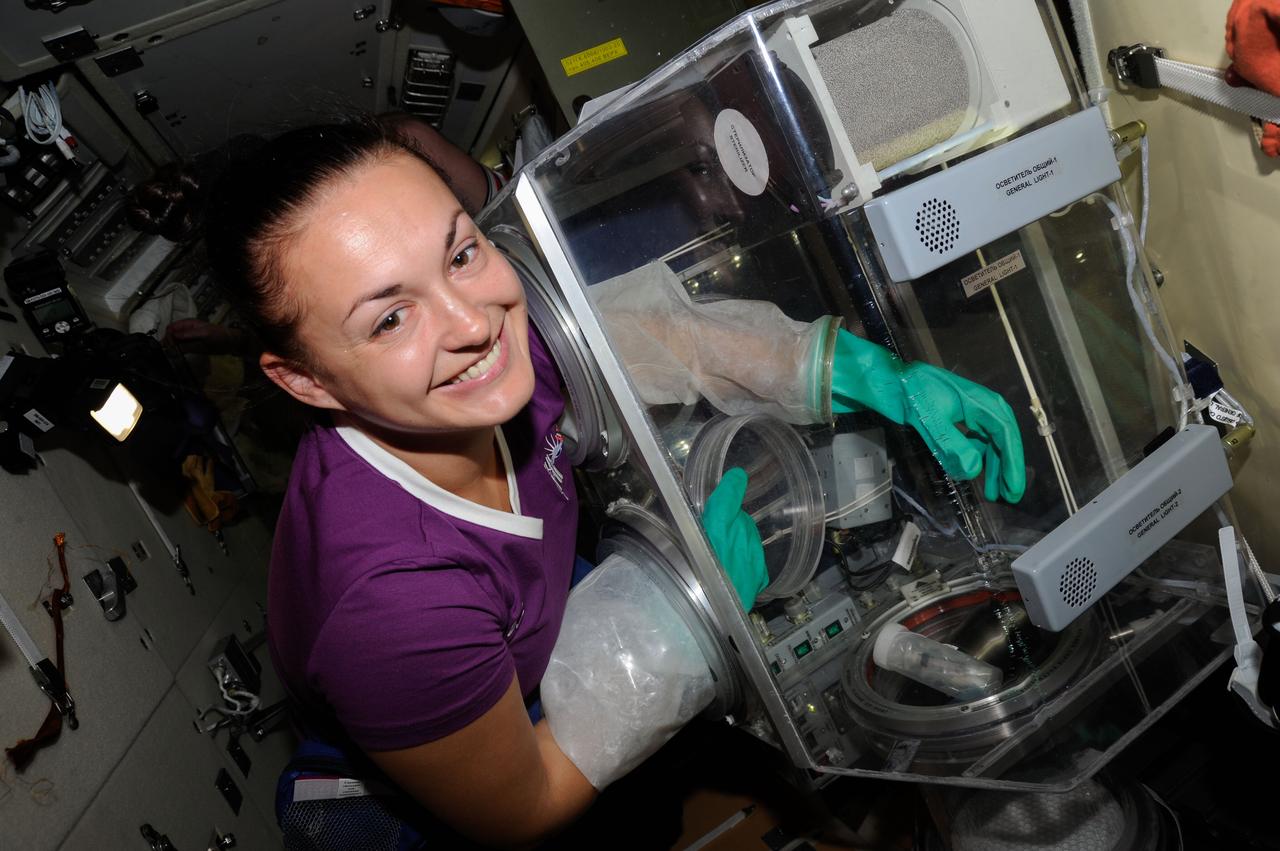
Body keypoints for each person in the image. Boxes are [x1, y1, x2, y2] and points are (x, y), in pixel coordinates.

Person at [128, 116, 1023, 848]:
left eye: (463, 252)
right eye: (392, 314)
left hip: (531, 625)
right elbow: (527, 802)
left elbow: (642, 340)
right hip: (419, 803)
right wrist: (682, 615)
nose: (475, 322)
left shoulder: (489, 360)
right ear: (307, 382)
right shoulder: (390, 608)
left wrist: (862, 372)